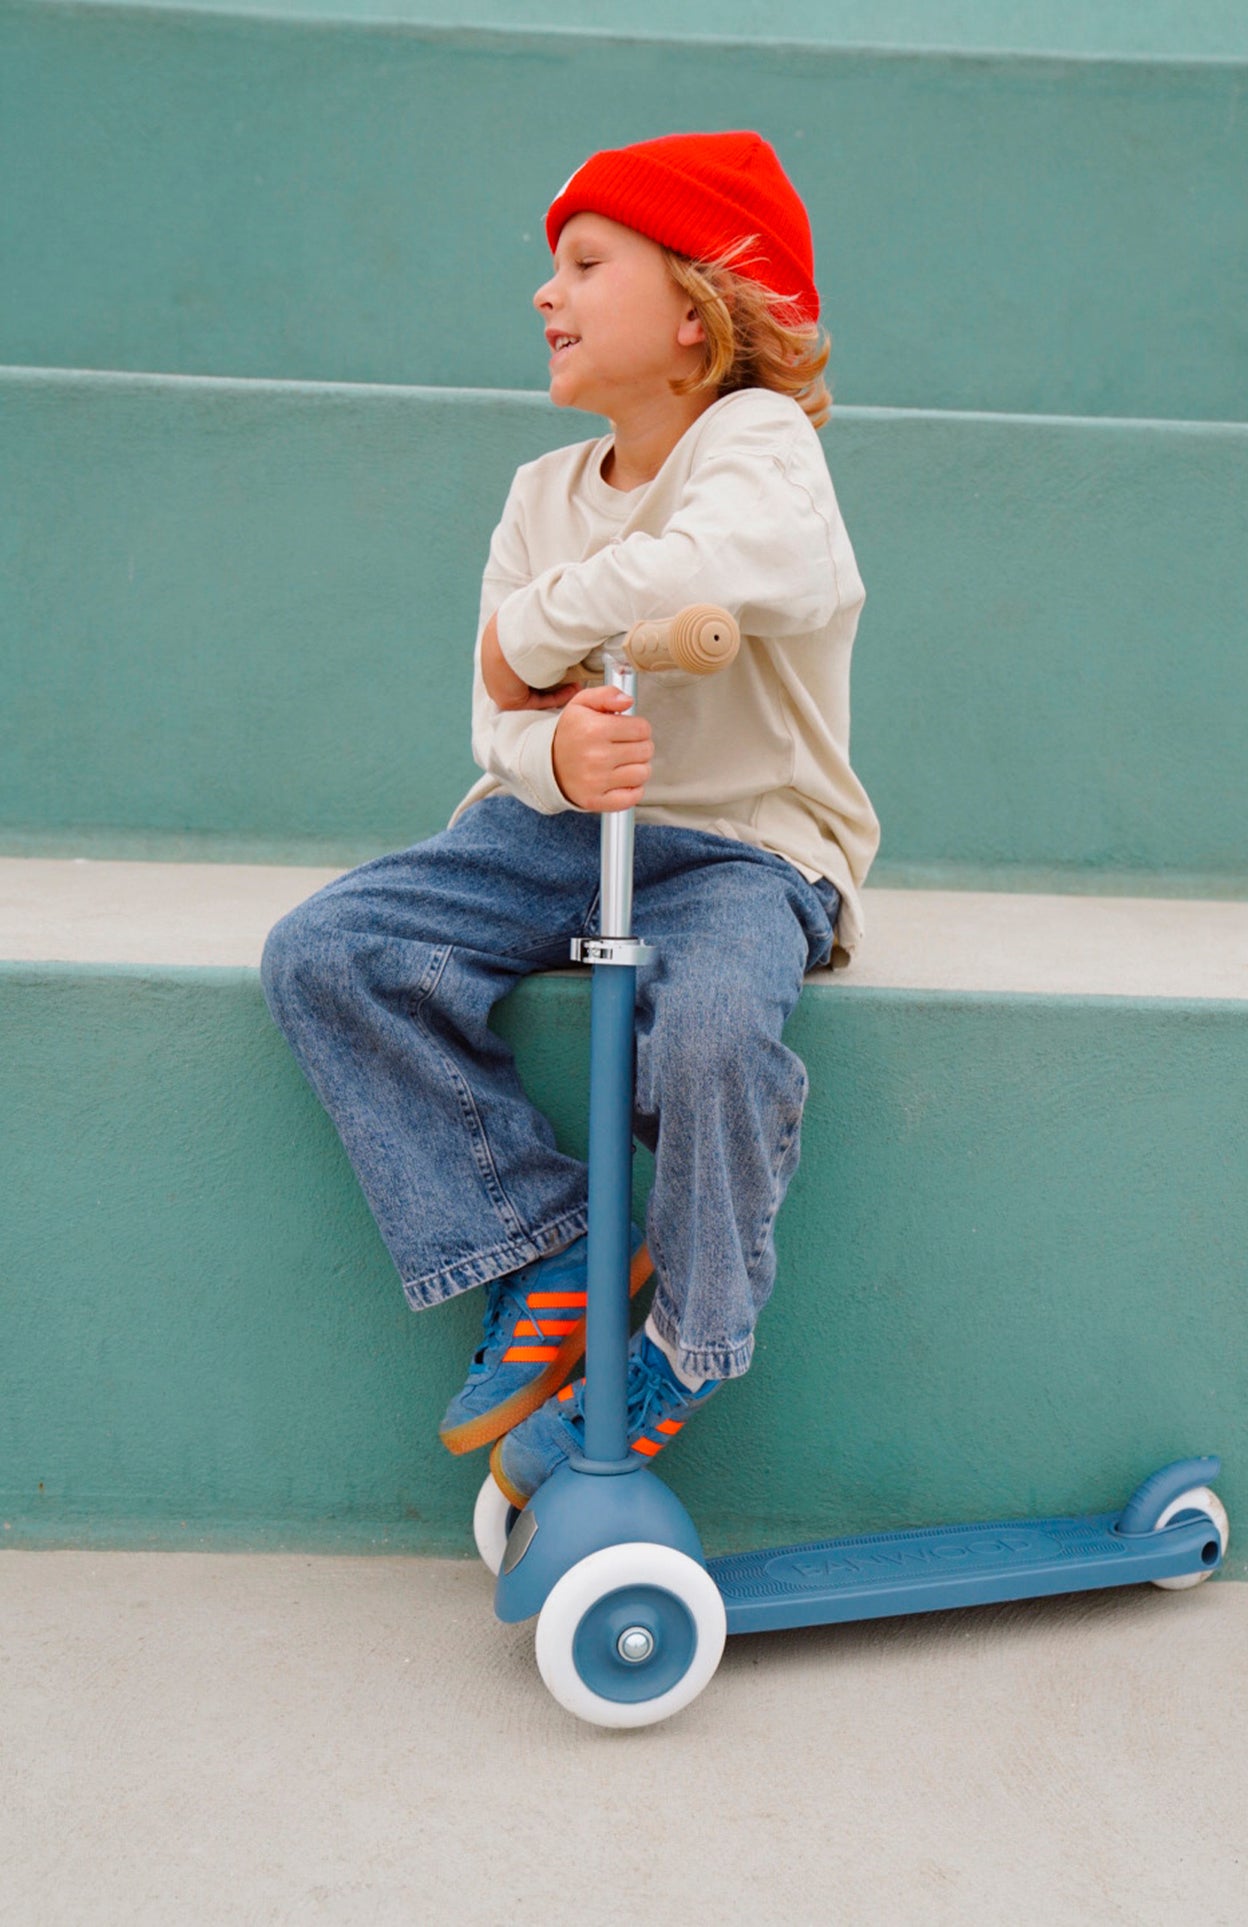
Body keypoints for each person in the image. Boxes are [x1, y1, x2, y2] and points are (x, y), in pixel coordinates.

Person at [260, 130, 879, 1509]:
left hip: (741, 850)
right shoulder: (543, 493)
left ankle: (690, 1336)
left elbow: (735, 561)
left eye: (586, 265)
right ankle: (544, 1242)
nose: (546, 294)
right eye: (550, 269)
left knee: (713, 1026)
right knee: (328, 952)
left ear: (694, 313)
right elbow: (496, 724)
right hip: (551, 834)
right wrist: (555, 752)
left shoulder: (757, 446)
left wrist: (532, 635)